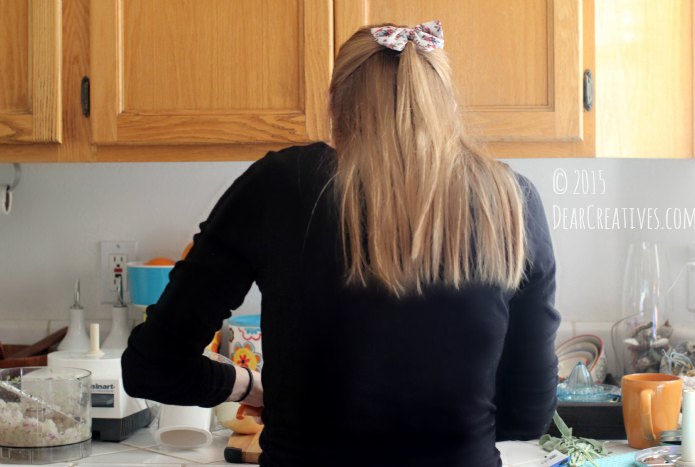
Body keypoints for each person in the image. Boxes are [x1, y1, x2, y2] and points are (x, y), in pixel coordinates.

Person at [122, 20, 560, 467]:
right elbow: (527, 416)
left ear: (333, 105)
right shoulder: (510, 201)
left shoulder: (281, 185)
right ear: (443, 104)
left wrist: (251, 387)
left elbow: (152, 367)